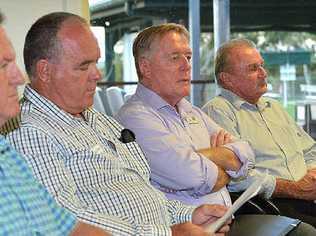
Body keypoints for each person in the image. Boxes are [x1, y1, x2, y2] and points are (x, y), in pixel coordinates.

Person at [5, 12, 229, 236]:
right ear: (45, 71)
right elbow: (67, 221)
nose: (97, 75)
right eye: (84, 66)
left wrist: (188, 215)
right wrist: (168, 233)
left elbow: (141, 191)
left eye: (96, 62)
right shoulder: (29, 131)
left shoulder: (99, 120)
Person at [116, 23, 316, 235]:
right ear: (145, 67)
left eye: (188, 57)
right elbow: (194, 176)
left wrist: (201, 158)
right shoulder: (135, 117)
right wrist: (224, 161)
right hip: (191, 226)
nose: (186, 66)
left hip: (223, 220)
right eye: (175, 57)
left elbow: (246, 153)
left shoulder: (190, 111)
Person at [0, 11, 110, 235]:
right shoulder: (28, 132)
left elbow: (70, 227)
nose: (19, 78)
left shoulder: (8, 155)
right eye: (3, 66)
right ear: (45, 71)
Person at [202, 38, 316, 226]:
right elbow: (235, 177)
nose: (264, 73)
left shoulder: (275, 107)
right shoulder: (218, 111)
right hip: (270, 207)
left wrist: (311, 175)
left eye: (262, 66)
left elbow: (310, 150)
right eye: (253, 69)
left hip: (306, 198)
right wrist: (295, 189)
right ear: (226, 79)